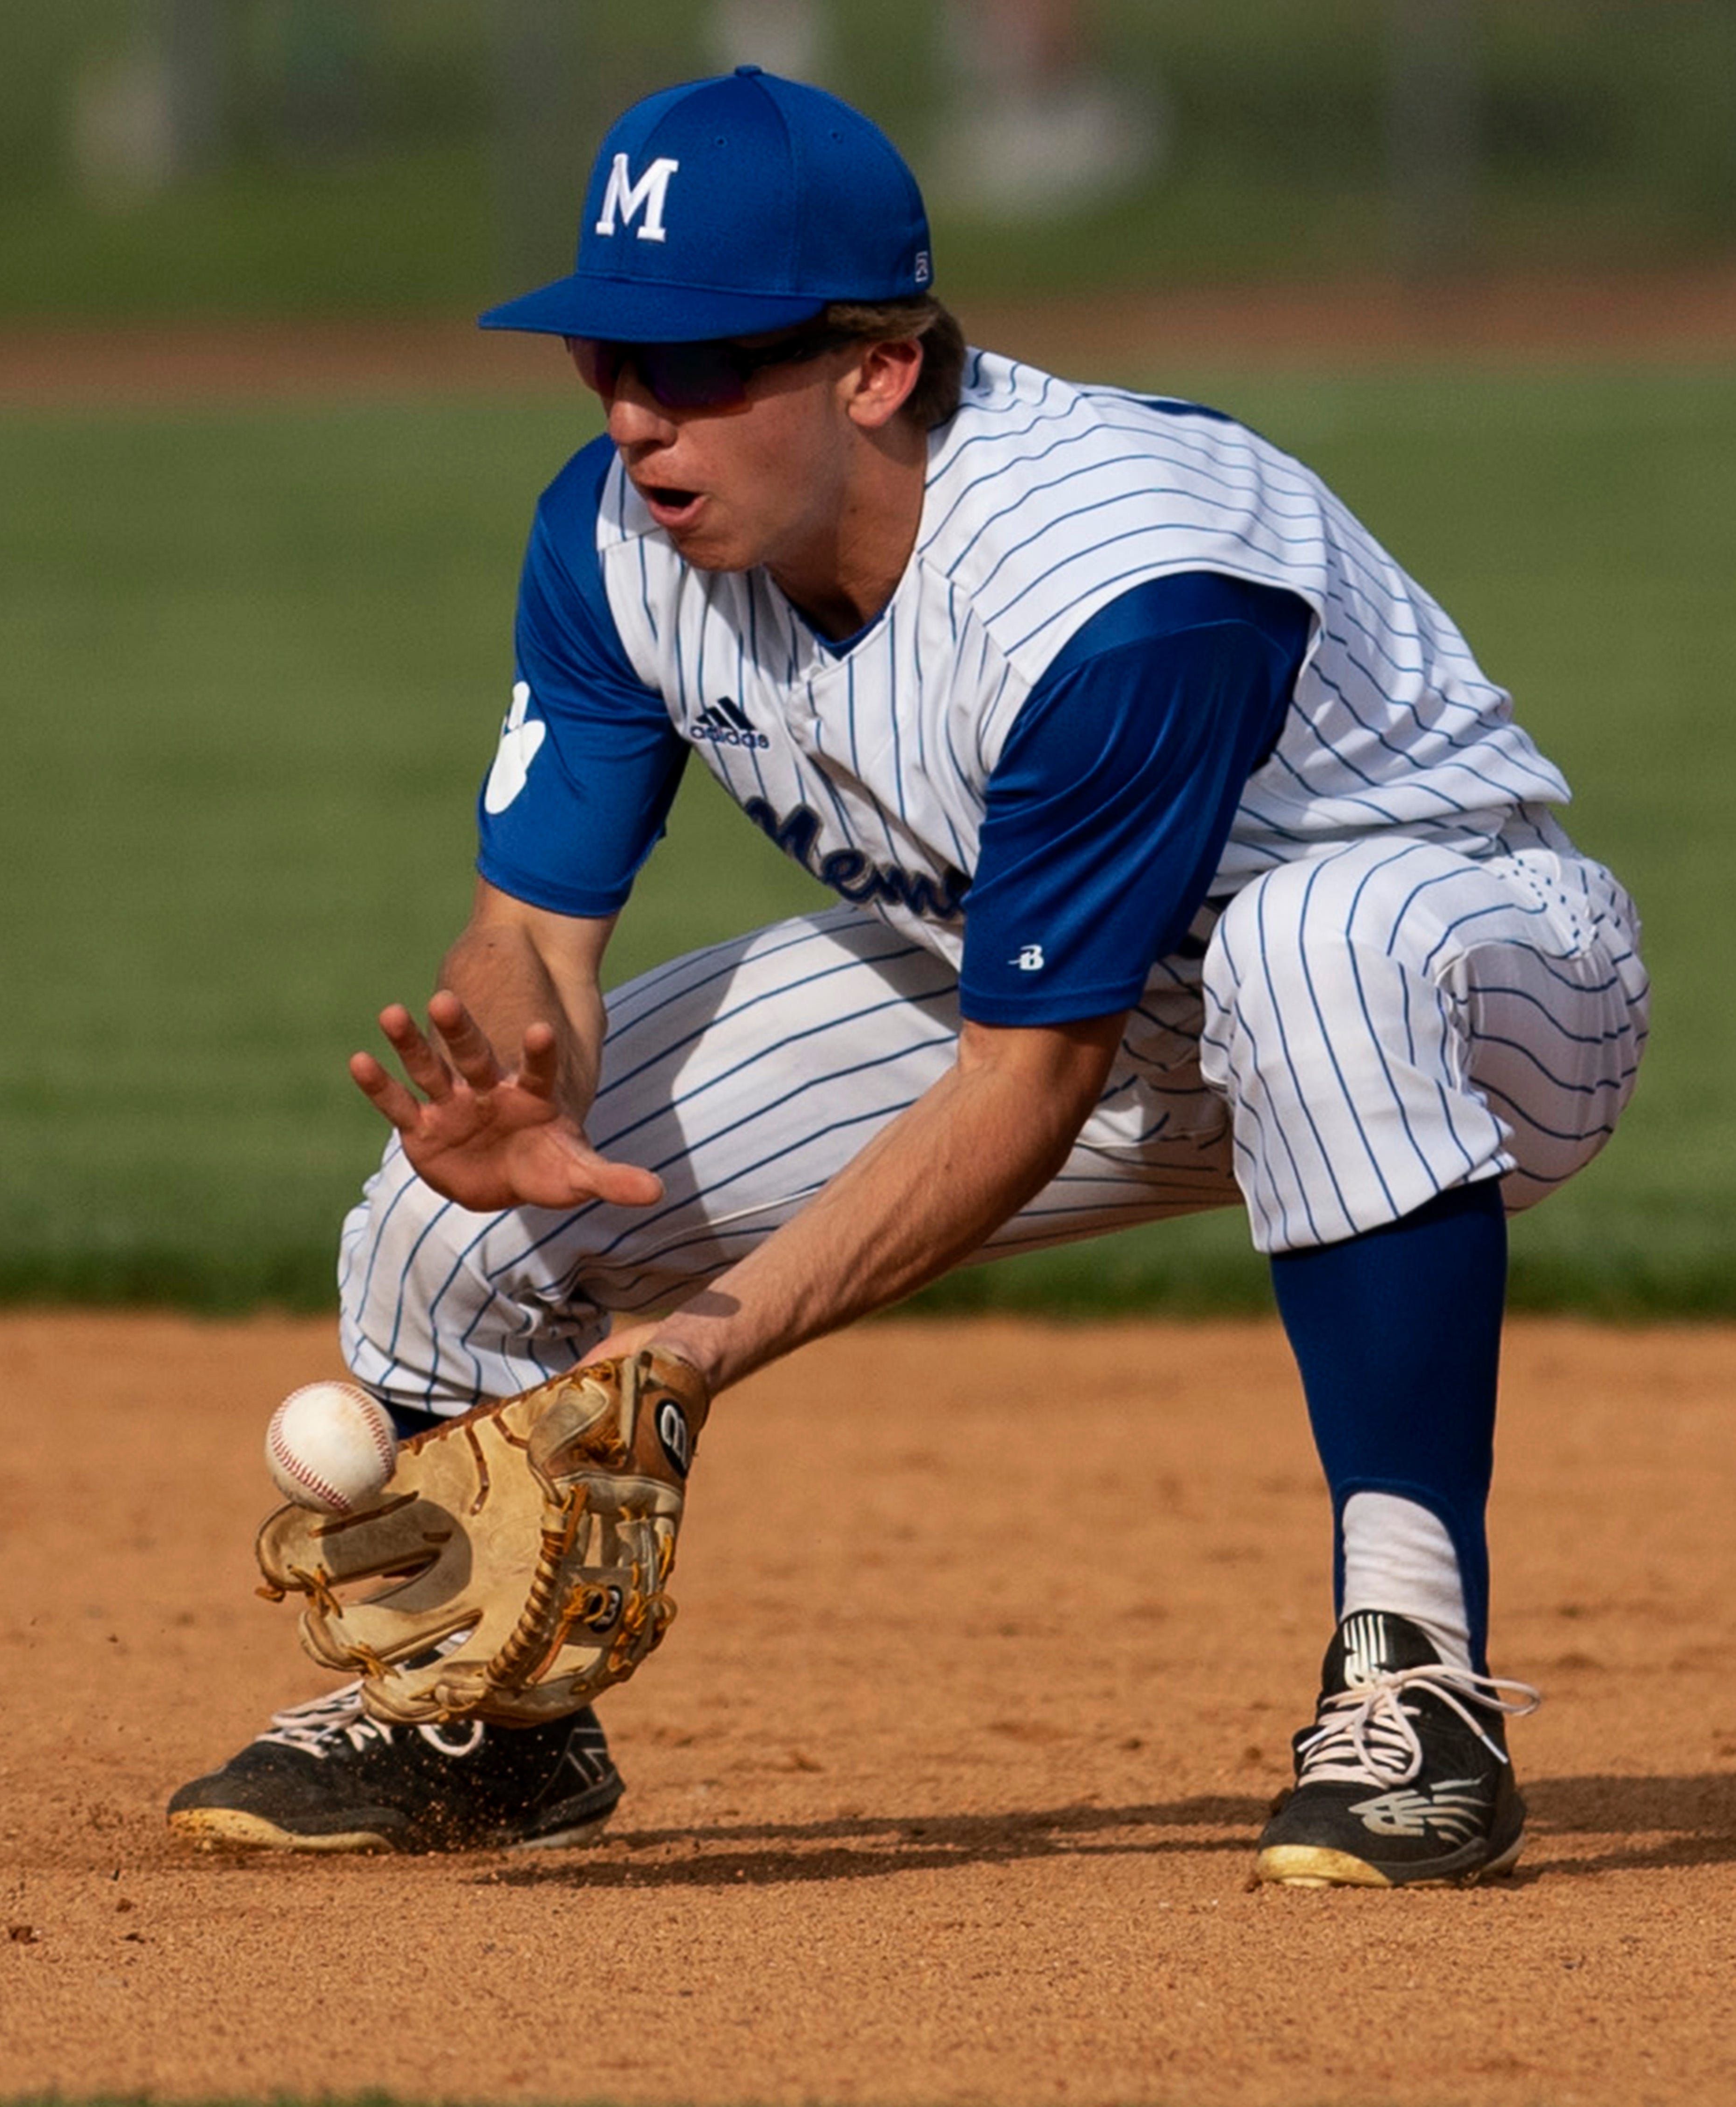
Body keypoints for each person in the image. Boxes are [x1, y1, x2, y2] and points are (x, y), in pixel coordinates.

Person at [168, 67, 1648, 1886]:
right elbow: (537, 923)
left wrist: (688, 1357)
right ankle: (482, 1717)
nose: (639, 416)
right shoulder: (619, 537)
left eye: (700, 362)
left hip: (1482, 982)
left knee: (1308, 946)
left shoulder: (1117, 583)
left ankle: (1417, 1684)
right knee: (442, 1221)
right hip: (1051, 991)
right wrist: (520, 1053)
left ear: (875, 368)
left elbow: (1025, 1085)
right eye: (606, 362)